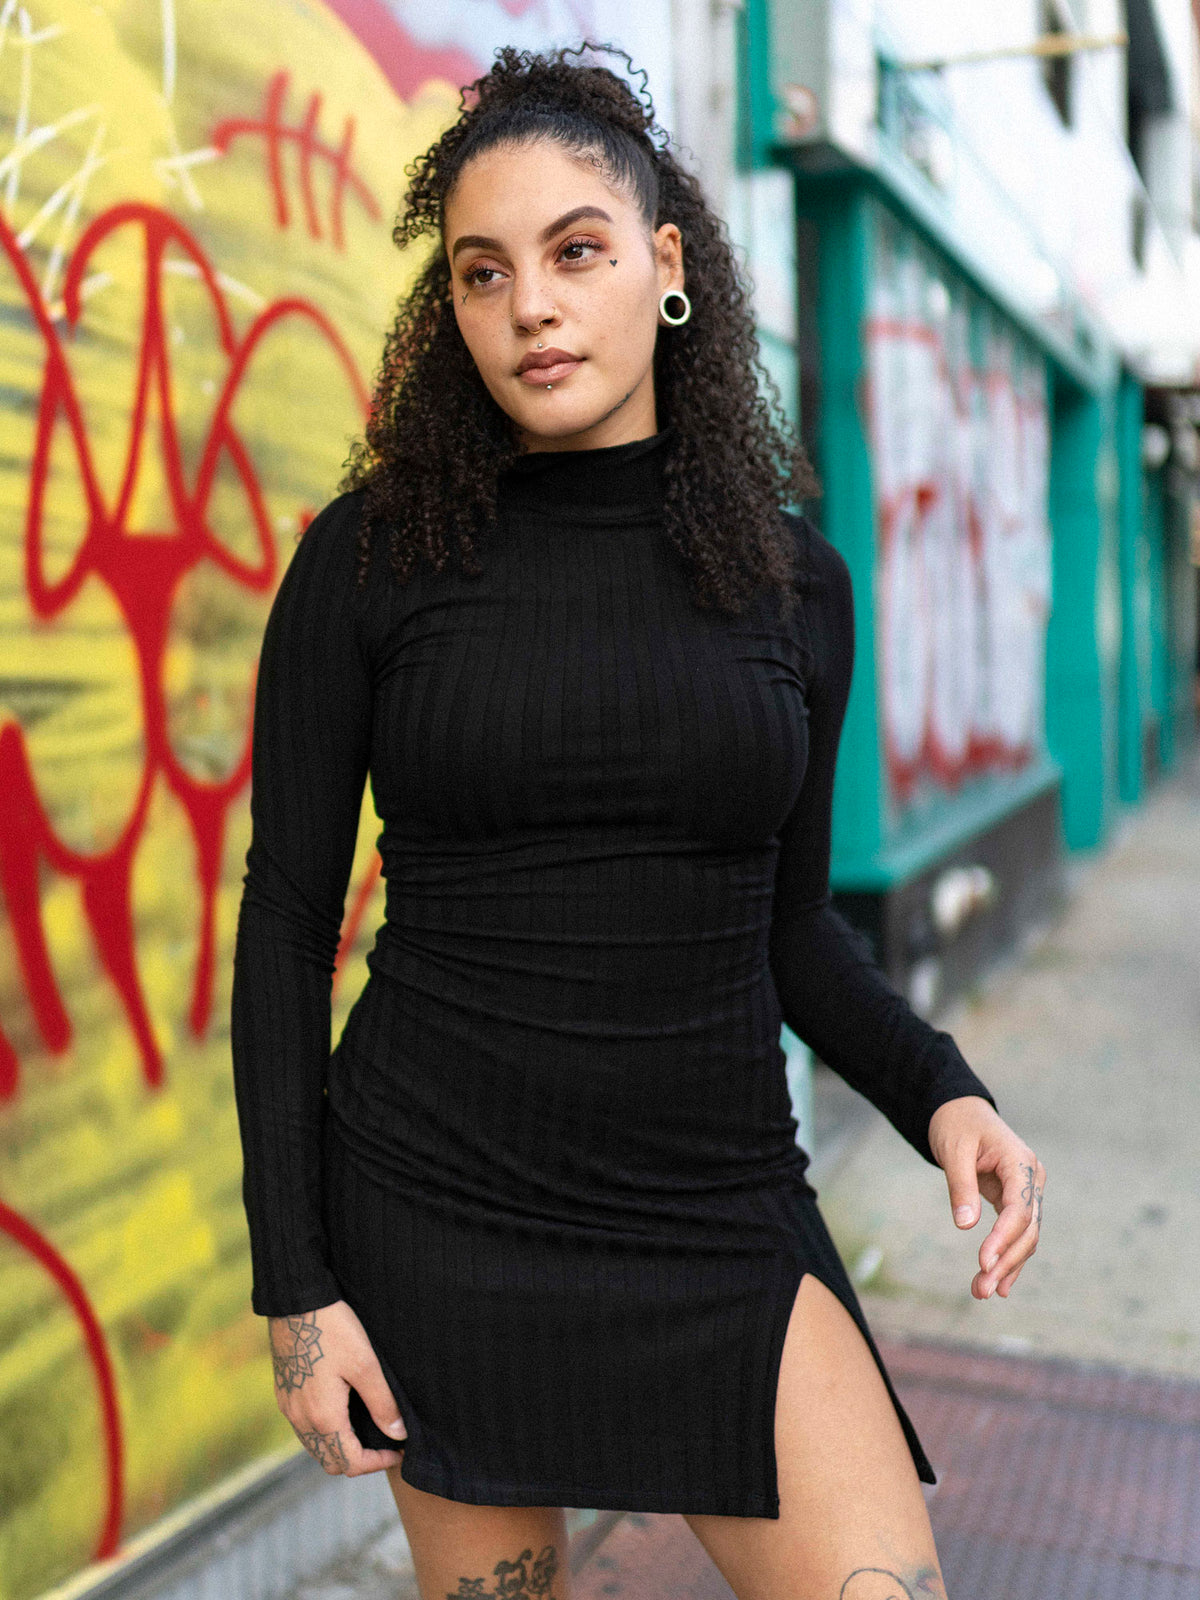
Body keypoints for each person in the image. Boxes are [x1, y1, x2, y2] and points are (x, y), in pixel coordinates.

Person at [230, 40, 1046, 1600]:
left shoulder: (791, 581)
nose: (530, 304)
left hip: (716, 1212)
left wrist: (942, 1095)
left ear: (665, 264)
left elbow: (790, 924)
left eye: (576, 251)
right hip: (440, 1208)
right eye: (482, 272)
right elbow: (283, 926)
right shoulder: (369, 562)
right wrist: (299, 1289)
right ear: (450, 305)